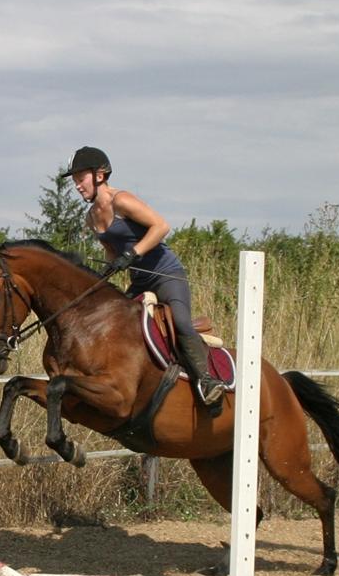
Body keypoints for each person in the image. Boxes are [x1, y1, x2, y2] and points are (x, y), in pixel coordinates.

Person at [60, 145, 225, 412]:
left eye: (81, 178)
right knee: (115, 326)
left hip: (165, 274)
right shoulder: (91, 217)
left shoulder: (121, 200)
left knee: (181, 322)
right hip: (139, 281)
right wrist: (109, 269)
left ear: (99, 175)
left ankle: (207, 381)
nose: (77, 186)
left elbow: (161, 226)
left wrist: (133, 253)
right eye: (76, 181)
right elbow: (112, 251)